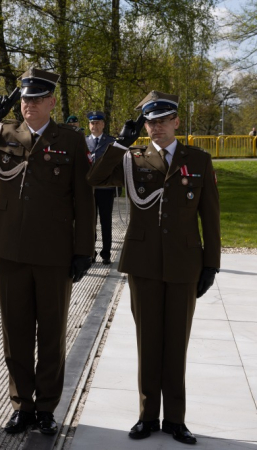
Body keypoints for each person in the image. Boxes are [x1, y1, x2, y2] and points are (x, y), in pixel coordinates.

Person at [0, 68, 95, 435]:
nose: (29, 105)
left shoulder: (71, 140)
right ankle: (21, 405)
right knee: (15, 332)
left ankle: (46, 408)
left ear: (51, 102)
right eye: (25, 99)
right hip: (10, 248)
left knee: (50, 333)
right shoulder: (3, 133)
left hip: (54, 250)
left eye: (36, 99)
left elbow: (84, 198)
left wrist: (84, 250)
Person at [87, 91, 221, 445]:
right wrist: (118, 143)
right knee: (148, 341)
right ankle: (148, 416)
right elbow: (95, 178)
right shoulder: (133, 158)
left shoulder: (199, 159)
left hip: (184, 262)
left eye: (163, 120)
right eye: (151, 121)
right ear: (144, 125)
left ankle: (175, 419)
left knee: (177, 342)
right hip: (143, 263)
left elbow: (211, 216)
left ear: (176, 121)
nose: (157, 127)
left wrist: (211, 264)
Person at [86, 111, 117, 264]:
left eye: (98, 123)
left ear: (103, 124)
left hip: (106, 188)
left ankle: (106, 253)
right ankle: (90, 252)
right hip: (89, 189)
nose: (95, 126)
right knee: (90, 222)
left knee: (106, 221)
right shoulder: (84, 142)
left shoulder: (111, 142)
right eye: (92, 123)